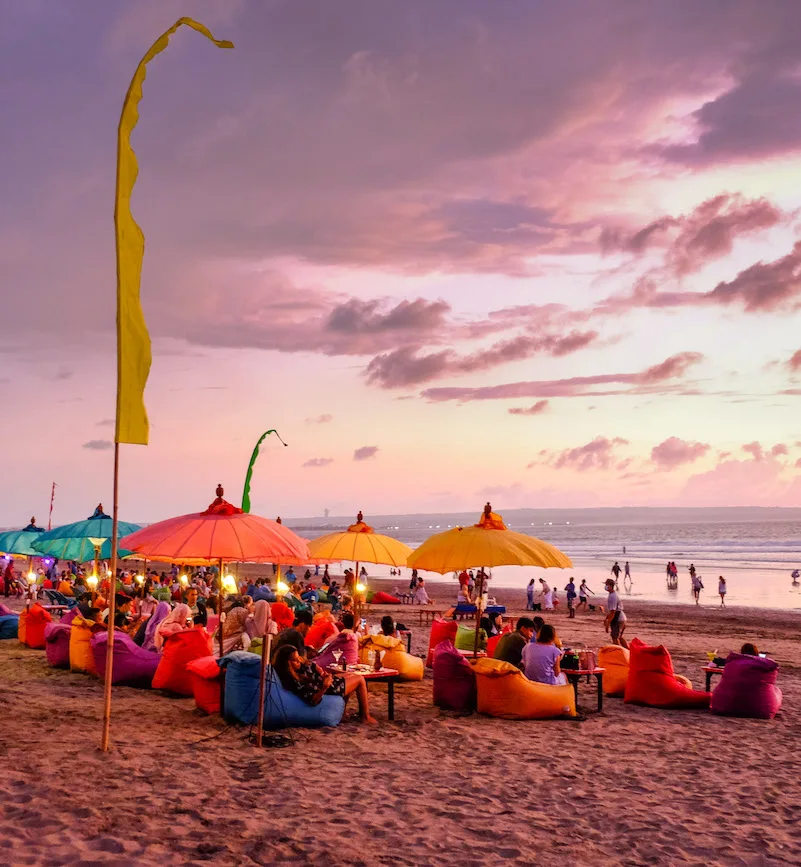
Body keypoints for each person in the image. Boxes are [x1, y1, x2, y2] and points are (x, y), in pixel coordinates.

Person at [272, 645, 376, 724]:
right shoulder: (293, 681)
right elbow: (313, 700)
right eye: (295, 660)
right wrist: (324, 687)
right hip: (328, 688)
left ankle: (343, 713)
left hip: (323, 682)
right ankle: (365, 716)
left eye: (298, 658)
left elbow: (309, 670)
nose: (299, 662)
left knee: (349, 675)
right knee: (360, 679)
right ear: (287, 663)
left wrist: (319, 673)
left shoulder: (296, 671)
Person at [603, 578, 628, 648]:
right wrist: (606, 618)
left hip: (618, 618)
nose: (605, 586)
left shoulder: (613, 596)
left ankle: (621, 653)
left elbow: (613, 612)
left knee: (615, 638)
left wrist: (607, 624)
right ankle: (628, 650)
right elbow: (611, 611)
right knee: (619, 637)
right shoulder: (613, 594)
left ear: (610, 586)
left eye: (606, 585)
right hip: (620, 617)